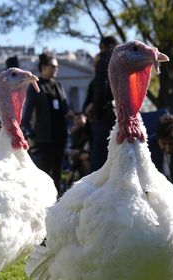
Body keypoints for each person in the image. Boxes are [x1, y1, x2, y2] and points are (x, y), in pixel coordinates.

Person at [21, 53, 71, 192]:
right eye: (53, 66)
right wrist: (27, 131)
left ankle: (58, 198)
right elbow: (28, 111)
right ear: (43, 67)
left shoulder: (58, 85)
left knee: (58, 169)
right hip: (45, 136)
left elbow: (65, 107)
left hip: (60, 135)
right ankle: (42, 196)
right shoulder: (36, 85)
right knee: (44, 169)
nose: (56, 69)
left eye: (57, 67)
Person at [87, 36, 118, 172]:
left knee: (99, 156)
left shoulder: (104, 60)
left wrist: (95, 110)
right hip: (117, 115)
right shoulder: (121, 61)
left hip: (103, 116)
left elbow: (101, 86)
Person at [66, 112, 91, 185]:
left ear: (85, 118)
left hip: (89, 159)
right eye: (75, 119)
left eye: (79, 118)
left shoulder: (89, 131)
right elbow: (72, 149)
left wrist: (72, 171)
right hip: (77, 161)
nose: (77, 121)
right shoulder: (75, 132)